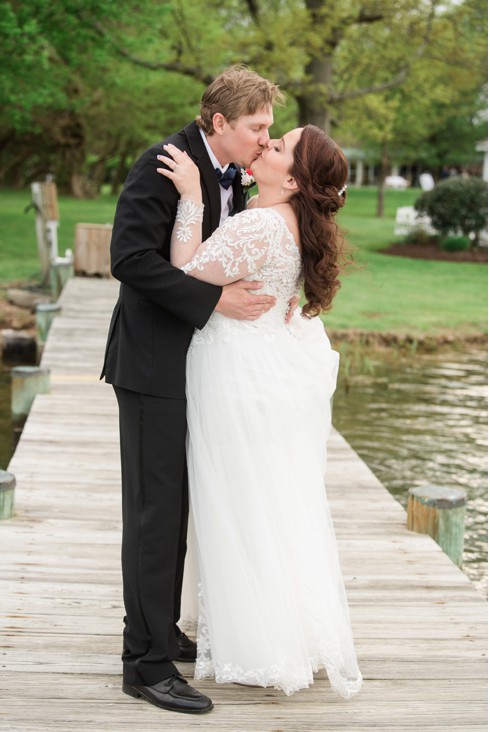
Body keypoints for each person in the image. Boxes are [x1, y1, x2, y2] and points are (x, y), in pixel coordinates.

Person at [154, 124, 362, 698]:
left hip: (233, 369)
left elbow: (182, 275)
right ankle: (282, 630)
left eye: (279, 146)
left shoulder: (257, 224)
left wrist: (193, 200)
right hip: (269, 371)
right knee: (269, 499)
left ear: (292, 178)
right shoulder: (293, 225)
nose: (266, 146)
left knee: (234, 499)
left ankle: (256, 640)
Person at [101, 65, 284, 714]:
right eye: (257, 128)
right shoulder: (163, 163)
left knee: (176, 510)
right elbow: (128, 258)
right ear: (219, 124)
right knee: (154, 516)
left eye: (268, 129)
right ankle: (143, 665)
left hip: (200, 369)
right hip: (153, 366)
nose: (267, 139)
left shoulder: (232, 172)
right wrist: (212, 302)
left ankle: (160, 632)